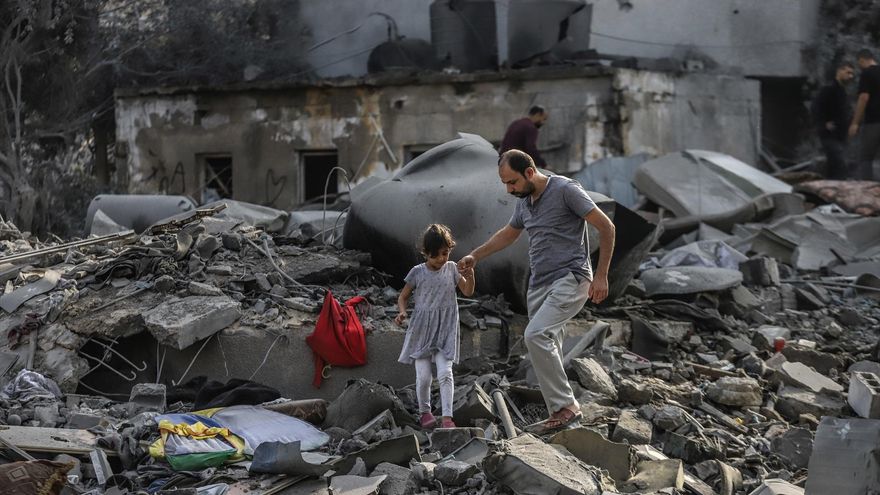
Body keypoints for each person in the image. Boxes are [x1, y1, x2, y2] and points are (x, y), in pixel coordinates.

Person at [458, 149, 616, 435]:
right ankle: (563, 419)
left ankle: (566, 407)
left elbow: (606, 226)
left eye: (512, 182)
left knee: (535, 335)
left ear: (529, 172)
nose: (509, 190)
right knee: (548, 343)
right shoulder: (524, 201)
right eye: (505, 184)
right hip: (539, 284)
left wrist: (602, 275)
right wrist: (475, 256)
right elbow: (508, 233)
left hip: (571, 277)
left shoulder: (566, 190)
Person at [395, 224, 475, 429]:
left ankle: (447, 418)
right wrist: (402, 311)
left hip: (446, 329)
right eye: (436, 255)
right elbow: (403, 297)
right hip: (422, 330)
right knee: (423, 377)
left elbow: (467, 291)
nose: (441, 259)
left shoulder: (452, 269)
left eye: (445, 253)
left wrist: (471, 274)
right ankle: (425, 413)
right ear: (425, 253)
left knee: (445, 373)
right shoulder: (417, 272)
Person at [812, 61, 855, 179]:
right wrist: (823, 124)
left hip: (840, 136)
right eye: (848, 72)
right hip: (829, 135)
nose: (850, 76)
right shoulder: (828, 89)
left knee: (834, 166)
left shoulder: (843, 92)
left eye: (852, 74)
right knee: (840, 164)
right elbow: (816, 107)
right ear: (839, 71)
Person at [849, 49, 880, 180]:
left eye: (859, 63)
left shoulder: (866, 73)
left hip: (874, 122)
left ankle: (866, 190)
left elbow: (864, 98)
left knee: (865, 158)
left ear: (862, 59)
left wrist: (855, 123)